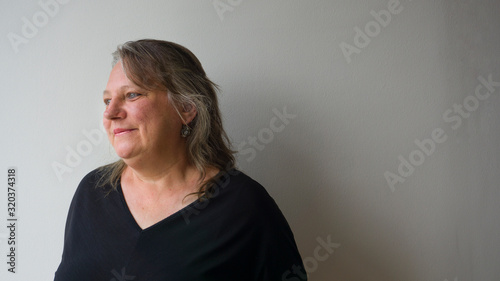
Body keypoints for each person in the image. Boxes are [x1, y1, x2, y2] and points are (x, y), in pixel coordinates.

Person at [54, 39, 306, 281]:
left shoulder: (245, 206)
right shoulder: (93, 191)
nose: (110, 113)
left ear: (185, 108)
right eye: (107, 100)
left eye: (132, 95)